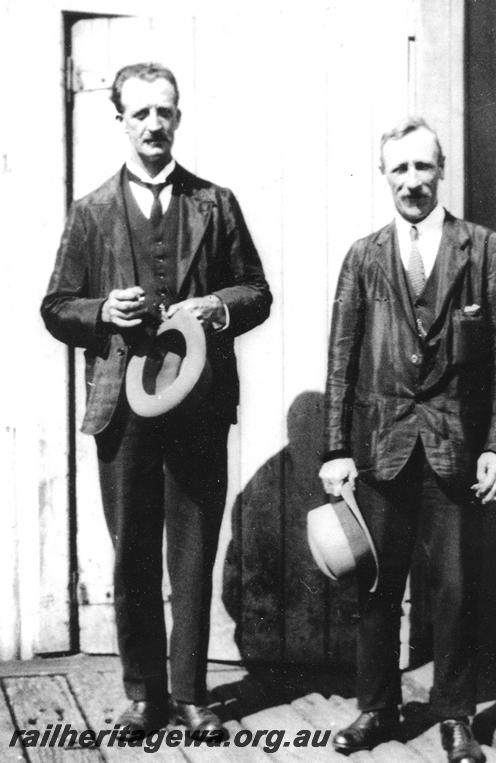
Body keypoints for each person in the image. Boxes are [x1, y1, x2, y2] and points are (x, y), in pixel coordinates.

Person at [41, 62, 271, 740]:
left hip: (198, 403)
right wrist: (103, 309)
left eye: (164, 112)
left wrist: (217, 307)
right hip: (123, 407)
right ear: (119, 121)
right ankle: (144, 695)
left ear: (178, 118)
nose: (153, 125)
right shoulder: (90, 212)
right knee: (132, 551)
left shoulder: (215, 203)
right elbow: (55, 307)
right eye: (140, 113)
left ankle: (193, 693)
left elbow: (256, 291)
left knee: (194, 550)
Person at [319, 117, 496, 762]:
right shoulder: (364, 256)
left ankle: (456, 716)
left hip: (454, 450)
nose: (412, 181)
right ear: (385, 175)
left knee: (457, 588)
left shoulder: (484, 250)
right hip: (381, 449)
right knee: (375, 586)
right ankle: (376, 708)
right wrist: (334, 449)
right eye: (399, 169)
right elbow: (342, 358)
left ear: (442, 171)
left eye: (422, 167)